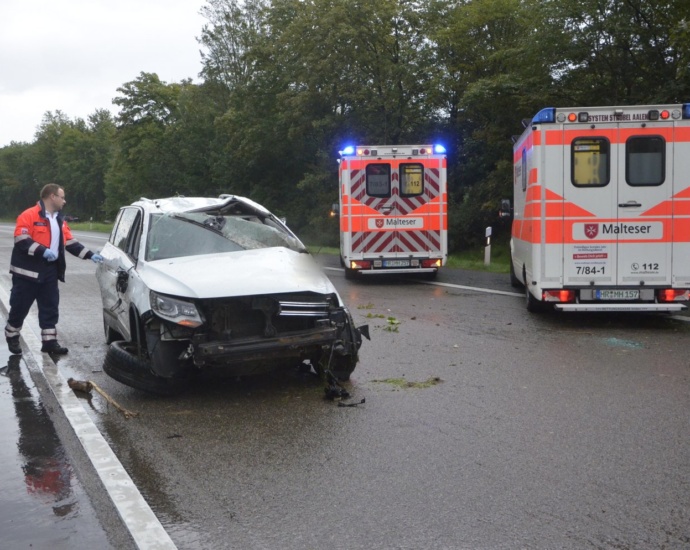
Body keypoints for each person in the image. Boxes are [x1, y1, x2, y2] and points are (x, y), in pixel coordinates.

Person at [4, 183, 103, 355]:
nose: (64, 201)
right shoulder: (29, 215)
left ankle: (49, 343)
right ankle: (12, 335)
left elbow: (70, 242)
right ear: (52, 196)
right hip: (27, 273)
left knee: (50, 307)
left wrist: (90, 255)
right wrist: (43, 251)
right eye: (62, 197)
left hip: (49, 271)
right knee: (19, 307)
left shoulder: (59, 220)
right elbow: (21, 240)